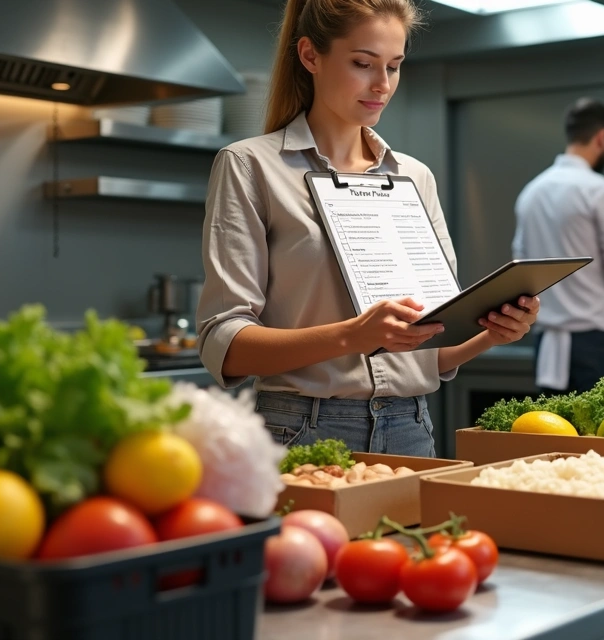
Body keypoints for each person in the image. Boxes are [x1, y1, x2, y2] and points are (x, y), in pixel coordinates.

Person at [196, 0, 539, 457]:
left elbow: (430, 352)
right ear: (310, 55)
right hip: (302, 429)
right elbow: (225, 343)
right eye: (363, 63)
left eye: (393, 66)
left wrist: (493, 334)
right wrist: (352, 335)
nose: (383, 85)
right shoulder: (249, 165)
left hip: (411, 428)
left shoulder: (415, 176)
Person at [512, 97, 604, 396]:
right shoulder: (600, 190)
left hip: (546, 343)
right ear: (602, 137)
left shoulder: (531, 192)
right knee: (603, 428)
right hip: (593, 344)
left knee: (552, 426)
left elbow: (519, 266)